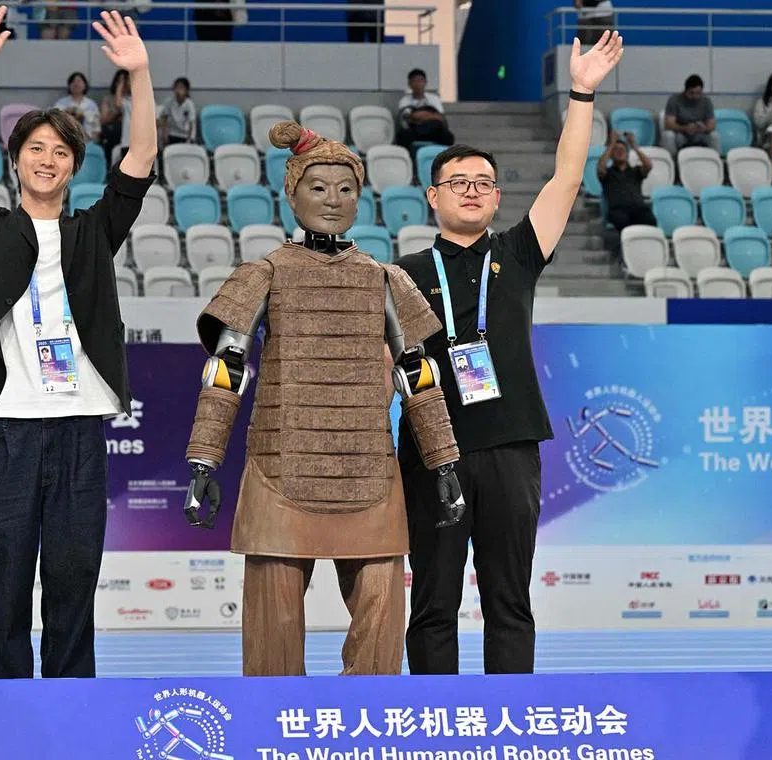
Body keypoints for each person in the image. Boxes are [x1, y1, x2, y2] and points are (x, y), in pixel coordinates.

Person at [183, 120, 466, 678]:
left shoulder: (386, 280)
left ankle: (365, 726)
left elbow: (420, 374)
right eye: (318, 187)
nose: (333, 200)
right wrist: (203, 459)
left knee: (382, 618)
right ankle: (274, 729)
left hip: (368, 468)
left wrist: (444, 460)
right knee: (274, 634)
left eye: (345, 188)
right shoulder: (263, 273)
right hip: (279, 467)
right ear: (291, 194)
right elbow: (225, 370)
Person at [0, 3, 157, 679]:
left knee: (73, 583)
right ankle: (3, 716)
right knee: (2, 586)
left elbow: (142, 154)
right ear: (17, 160)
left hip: (80, 430)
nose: (48, 159)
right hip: (7, 432)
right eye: (35, 149)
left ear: (73, 167)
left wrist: (139, 72)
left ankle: (70, 714)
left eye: (60, 152)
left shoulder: (93, 231)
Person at [395, 31, 624, 676]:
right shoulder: (400, 271)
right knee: (434, 602)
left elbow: (569, 174)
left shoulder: (519, 254)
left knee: (508, 599)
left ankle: (508, 721)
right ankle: (436, 723)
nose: (472, 190)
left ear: (497, 197)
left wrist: (580, 92)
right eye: (457, 181)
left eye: (484, 183)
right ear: (432, 197)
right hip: (431, 447)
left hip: (510, 443)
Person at [597, 129, 656, 233]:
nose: (620, 152)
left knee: (649, 220)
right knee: (622, 221)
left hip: (638, 209)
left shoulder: (635, 171)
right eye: (616, 150)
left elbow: (648, 165)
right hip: (618, 210)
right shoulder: (608, 174)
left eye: (622, 150)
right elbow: (600, 168)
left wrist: (634, 146)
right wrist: (612, 144)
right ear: (611, 154)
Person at [396, 69, 455, 152]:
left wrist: (419, 117)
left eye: (420, 81)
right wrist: (431, 116)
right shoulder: (404, 101)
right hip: (415, 132)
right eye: (414, 81)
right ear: (409, 84)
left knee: (447, 136)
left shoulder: (434, 99)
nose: (418, 84)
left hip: (433, 131)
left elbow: (440, 118)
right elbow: (410, 118)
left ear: (425, 82)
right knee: (402, 136)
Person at [661, 74, 720, 156]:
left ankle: (715, 161)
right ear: (685, 91)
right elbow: (668, 124)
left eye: (698, 93)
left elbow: (711, 125)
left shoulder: (706, 101)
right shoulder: (674, 100)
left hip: (700, 133)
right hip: (681, 133)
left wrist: (703, 128)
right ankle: (673, 163)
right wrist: (685, 128)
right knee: (668, 135)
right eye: (691, 93)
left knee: (714, 136)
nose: (695, 96)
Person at [54, 72, 101, 143]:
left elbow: (96, 128)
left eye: (79, 81)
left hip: (87, 142)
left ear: (85, 85)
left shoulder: (92, 105)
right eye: (73, 81)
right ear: (69, 86)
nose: (76, 84)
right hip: (66, 141)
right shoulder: (61, 103)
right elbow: (55, 122)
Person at [100, 69, 131, 166]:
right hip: (113, 132)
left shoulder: (132, 99)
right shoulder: (108, 99)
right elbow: (104, 120)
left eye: (126, 81)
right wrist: (117, 115)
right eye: (121, 81)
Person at [157, 77, 197, 146]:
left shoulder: (189, 104)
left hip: (185, 135)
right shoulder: (169, 103)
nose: (178, 91)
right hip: (172, 134)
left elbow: (191, 124)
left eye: (181, 88)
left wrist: (189, 140)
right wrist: (164, 135)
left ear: (186, 90)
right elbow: (163, 119)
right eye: (176, 88)